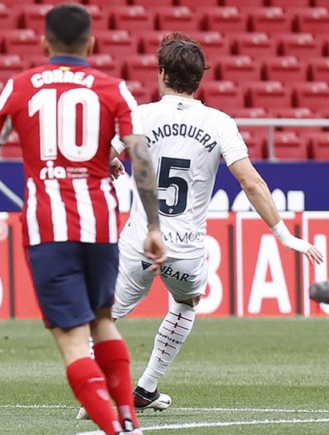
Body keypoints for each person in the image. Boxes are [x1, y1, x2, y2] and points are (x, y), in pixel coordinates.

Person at [0, 4, 166, 435]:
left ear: (44, 44)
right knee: (104, 322)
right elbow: (139, 156)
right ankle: (130, 426)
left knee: (73, 343)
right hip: (101, 225)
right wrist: (154, 225)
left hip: (47, 229)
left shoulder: (20, 87)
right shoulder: (113, 88)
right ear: (91, 45)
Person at [105, 32, 324, 413]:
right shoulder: (219, 122)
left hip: (140, 239)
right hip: (187, 247)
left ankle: (98, 391)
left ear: (161, 73)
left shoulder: (138, 115)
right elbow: (250, 181)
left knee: (103, 317)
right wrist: (284, 235)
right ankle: (147, 386)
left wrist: (110, 160)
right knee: (186, 304)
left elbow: (103, 156)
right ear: (199, 79)